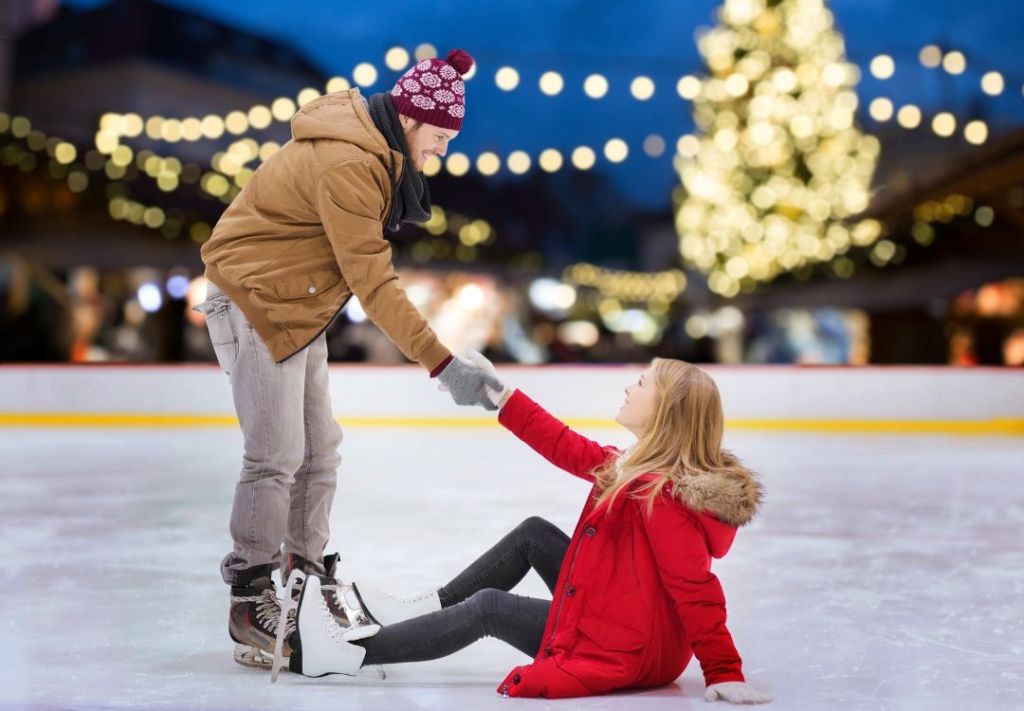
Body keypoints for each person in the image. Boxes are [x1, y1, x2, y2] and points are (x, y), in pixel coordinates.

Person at [193, 49, 499, 669]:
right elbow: (375, 285)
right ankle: (252, 599)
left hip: (295, 301)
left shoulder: (375, 155)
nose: (440, 152)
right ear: (411, 122)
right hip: (254, 296)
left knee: (320, 448)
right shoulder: (350, 165)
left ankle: (302, 581)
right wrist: (444, 366)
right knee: (275, 452)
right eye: (438, 138)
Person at [281, 354, 771, 703]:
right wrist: (502, 397)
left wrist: (724, 670)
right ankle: (423, 608)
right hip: (625, 618)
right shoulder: (632, 470)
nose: (629, 387)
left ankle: (348, 653)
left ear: (666, 413)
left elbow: (695, 588)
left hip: (626, 647)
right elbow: (565, 446)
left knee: (489, 608)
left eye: (642, 383)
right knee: (535, 533)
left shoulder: (662, 498)